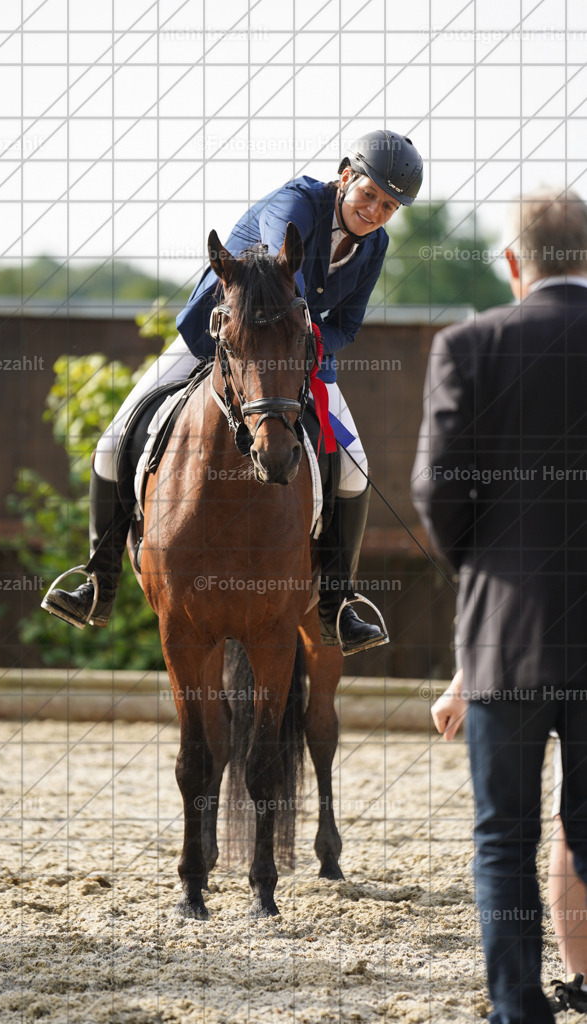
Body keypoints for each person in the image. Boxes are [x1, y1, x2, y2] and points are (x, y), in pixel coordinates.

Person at [42, 130, 424, 654]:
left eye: (389, 205)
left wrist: (310, 337)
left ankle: (338, 602)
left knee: (355, 468)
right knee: (113, 442)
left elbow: (349, 324)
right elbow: (270, 259)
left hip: (295, 356)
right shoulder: (296, 204)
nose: (376, 210)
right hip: (219, 338)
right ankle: (98, 580)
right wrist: (295, 326)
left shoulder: (374, 245)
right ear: (344, 178)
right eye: (369, 195)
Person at [412, 188, 587, 1023]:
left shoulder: (468, 345)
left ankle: (518, 1007)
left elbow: (435, 492)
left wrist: (482, 571)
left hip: (503, 636)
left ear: (513, 263)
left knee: (502, 837)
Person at [432, 673, 587, 1015]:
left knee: (505, 843)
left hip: (509, 661)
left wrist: (459, 686)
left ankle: (577, 986)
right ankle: (581, 983)